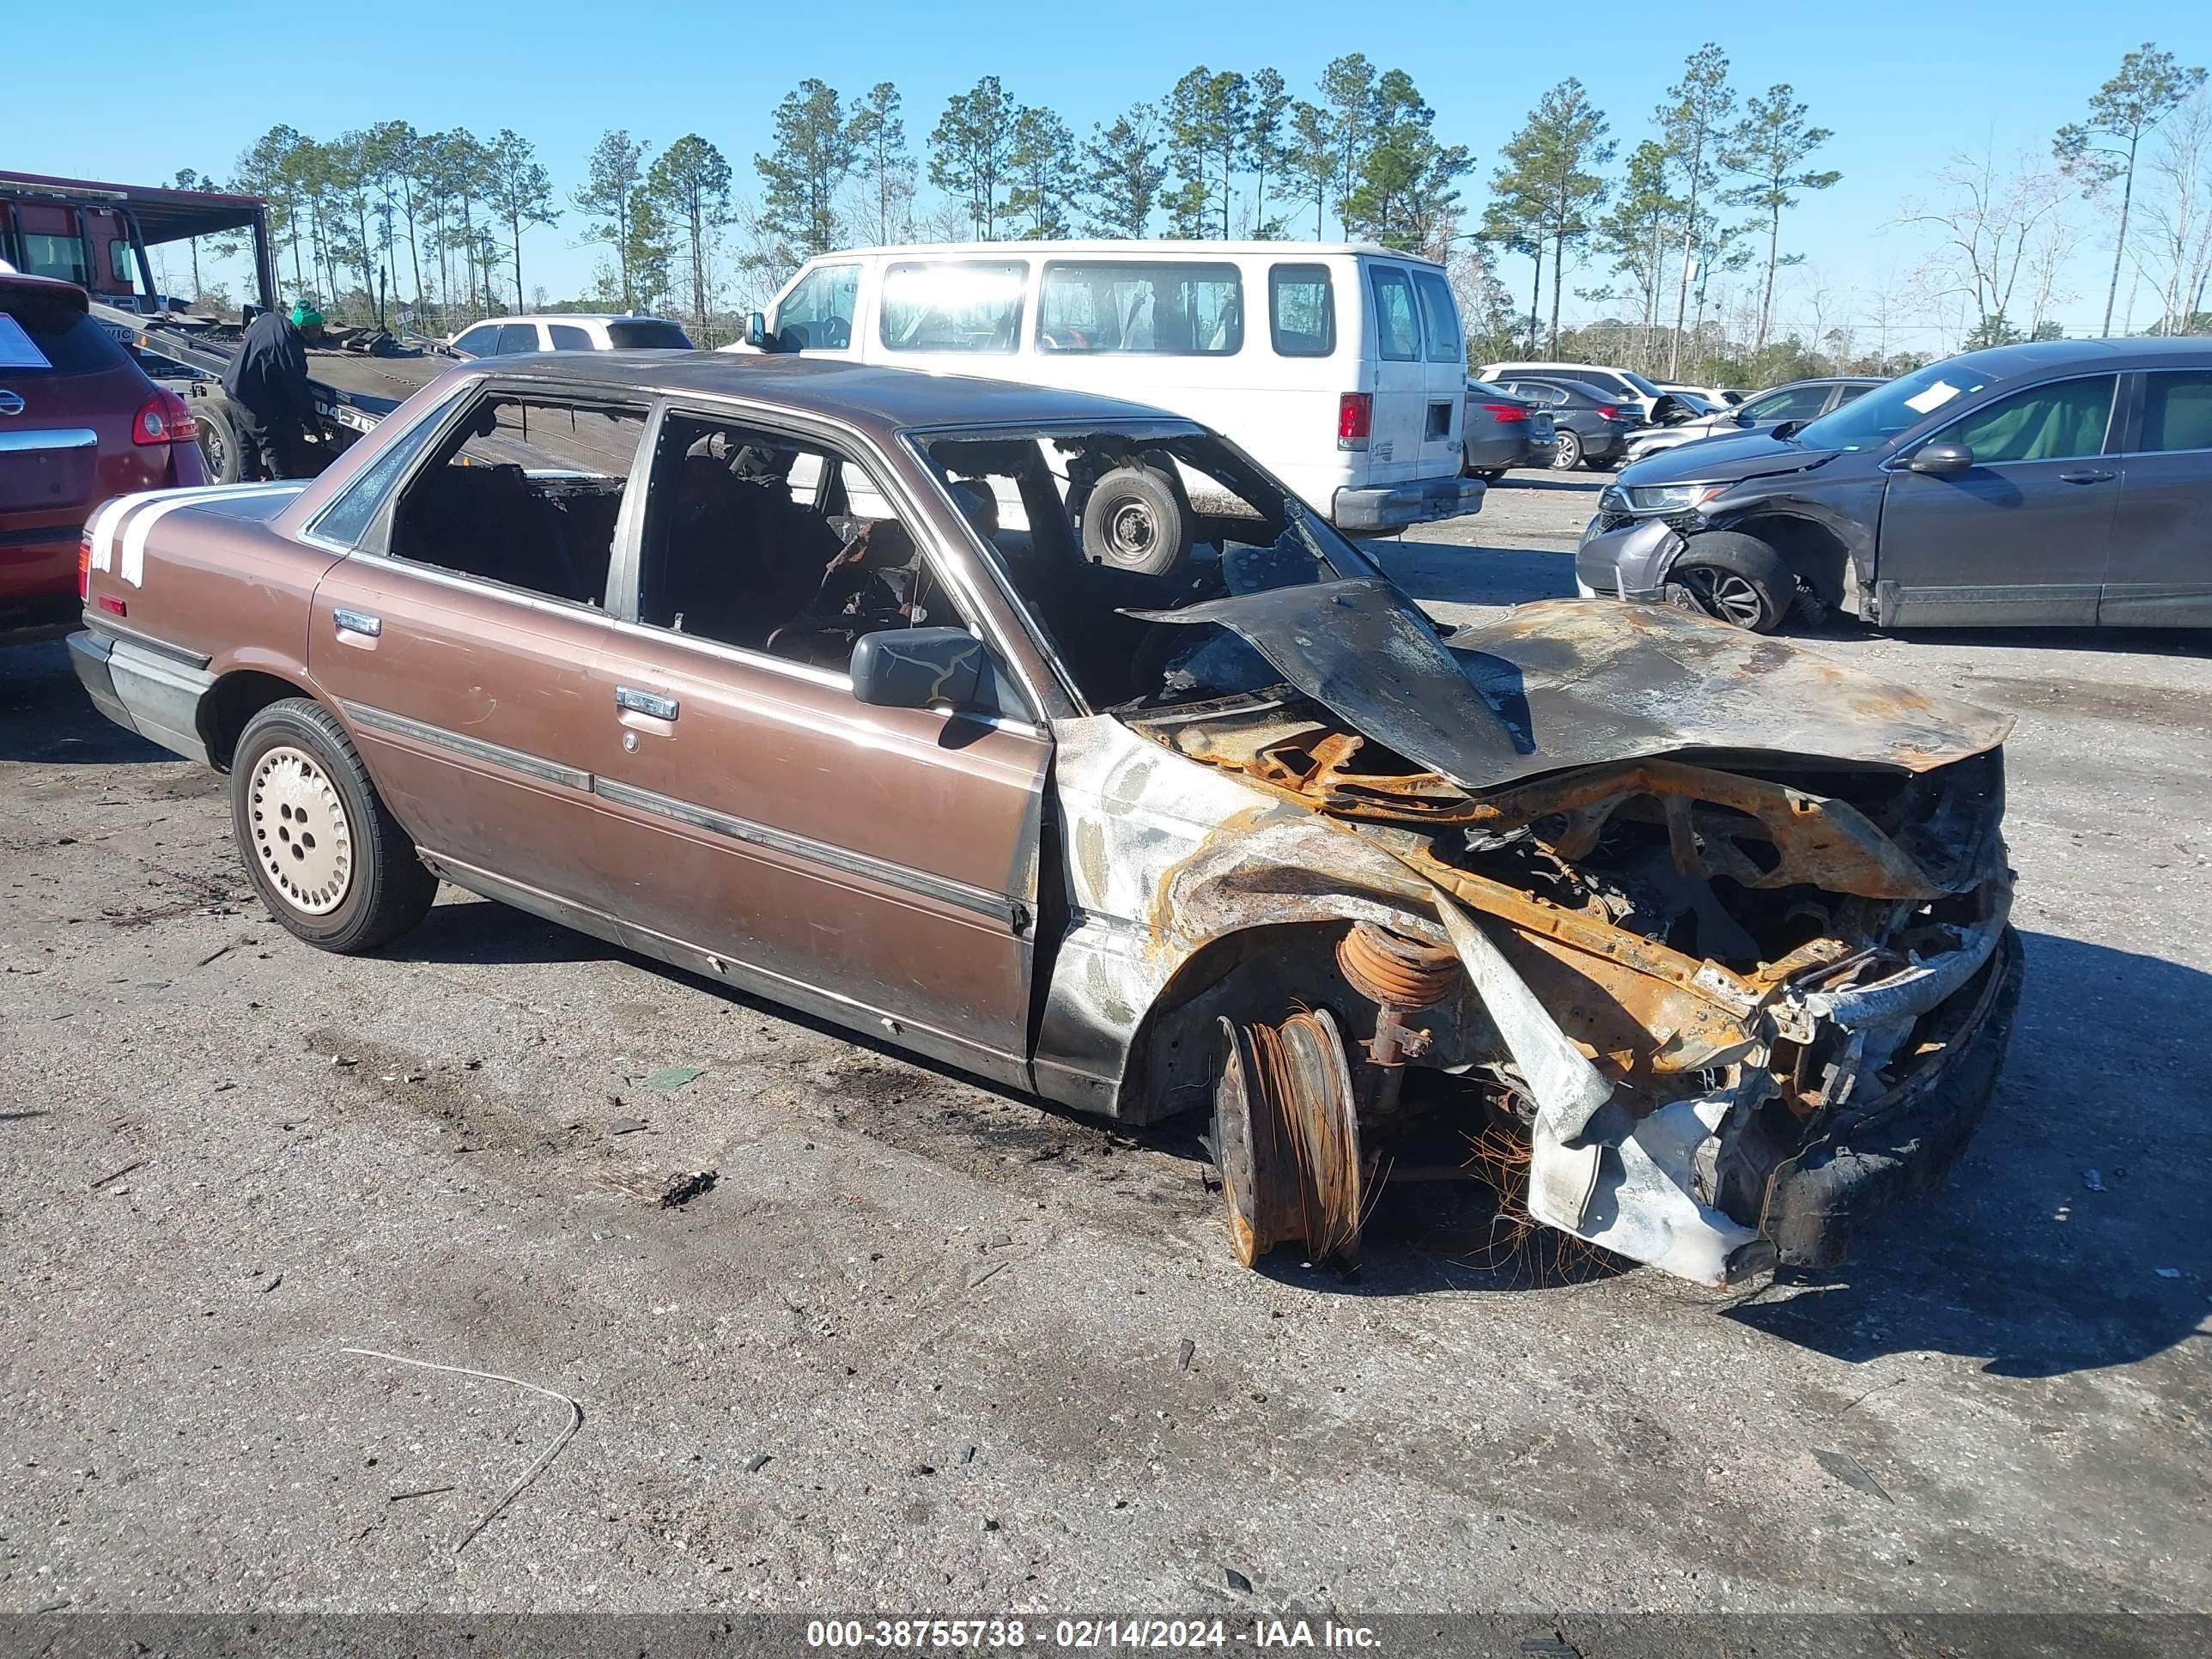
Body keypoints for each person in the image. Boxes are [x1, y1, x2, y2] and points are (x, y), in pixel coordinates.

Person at [221, 301, 323, 479]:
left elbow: (249, 331)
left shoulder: (270, 318)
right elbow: (298, 391)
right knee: (271, 443)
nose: (319, 334)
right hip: (249, 397)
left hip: (233, 385)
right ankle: (284, 487)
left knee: (245, 442)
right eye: (315, 330)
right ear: (302, 328)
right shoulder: (289, 347)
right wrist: (314, 427)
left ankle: (247, 487)